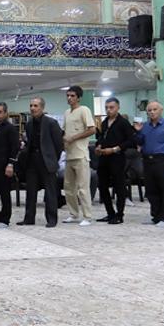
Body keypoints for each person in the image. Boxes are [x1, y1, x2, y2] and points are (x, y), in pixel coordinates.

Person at [17, 97, 63, 227]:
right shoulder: (29, 124)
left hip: (47, 161)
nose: (32, 108)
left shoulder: (51, 123)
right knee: (30, 191)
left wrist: (52, 159)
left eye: (35, 106)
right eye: (31, 105)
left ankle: (51, 219)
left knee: (50, 192)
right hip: (32, 160)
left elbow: (58, 145)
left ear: (42, 107)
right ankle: (29, 218)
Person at [135, 101, 164, 227]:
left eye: (155, 109)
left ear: (161, 110)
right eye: (149, 110)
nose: (152, 112)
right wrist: (138, 132)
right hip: (148, 160)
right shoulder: (145, 126)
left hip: (163, 160)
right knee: (151, 190)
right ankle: (156, 216)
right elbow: (139, 142)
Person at [95, 97, 136, 224]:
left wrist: (114, 149)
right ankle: (110, 213)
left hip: (117, 157)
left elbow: (131, 141)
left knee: (119, 186)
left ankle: (119, 214)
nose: (108, 110)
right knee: (102, 185)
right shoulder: (104, 122)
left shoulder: (123, 123)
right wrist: (98, 146)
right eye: (106, 108)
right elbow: (101, 138)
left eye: (111, 107)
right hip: (104, 157)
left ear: (118, 108)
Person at [62, 85, 96, 226]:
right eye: (68, 95)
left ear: (79, 98)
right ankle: (74, 214)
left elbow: (92, 129)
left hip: (81, 155)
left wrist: (74, 138)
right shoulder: (66, 113)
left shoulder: (84, 110)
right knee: (69, 188)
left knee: (83, 188)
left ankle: (87, 216)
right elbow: (65, 132)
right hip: (69, 155)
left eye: (72, 96)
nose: (69, 98)